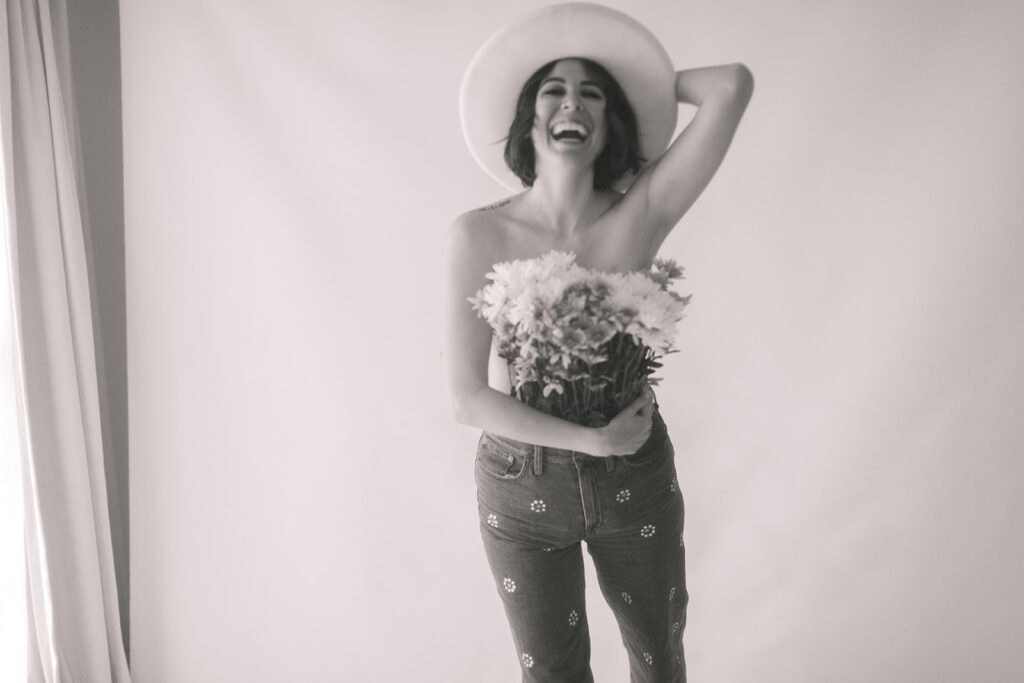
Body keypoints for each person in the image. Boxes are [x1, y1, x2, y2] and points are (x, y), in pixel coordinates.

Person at [444, 4, 752, 681]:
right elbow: (467, 398)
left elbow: (729, 85)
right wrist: (592, 440)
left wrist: (638, 79)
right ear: (530, 118)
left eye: (592, 95)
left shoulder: (642, 210)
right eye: (553, 89)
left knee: (658, 657)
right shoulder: (479, 235)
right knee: (551, 673)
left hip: (631, 482)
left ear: (610, 122)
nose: (572, 102)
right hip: (522, 486)